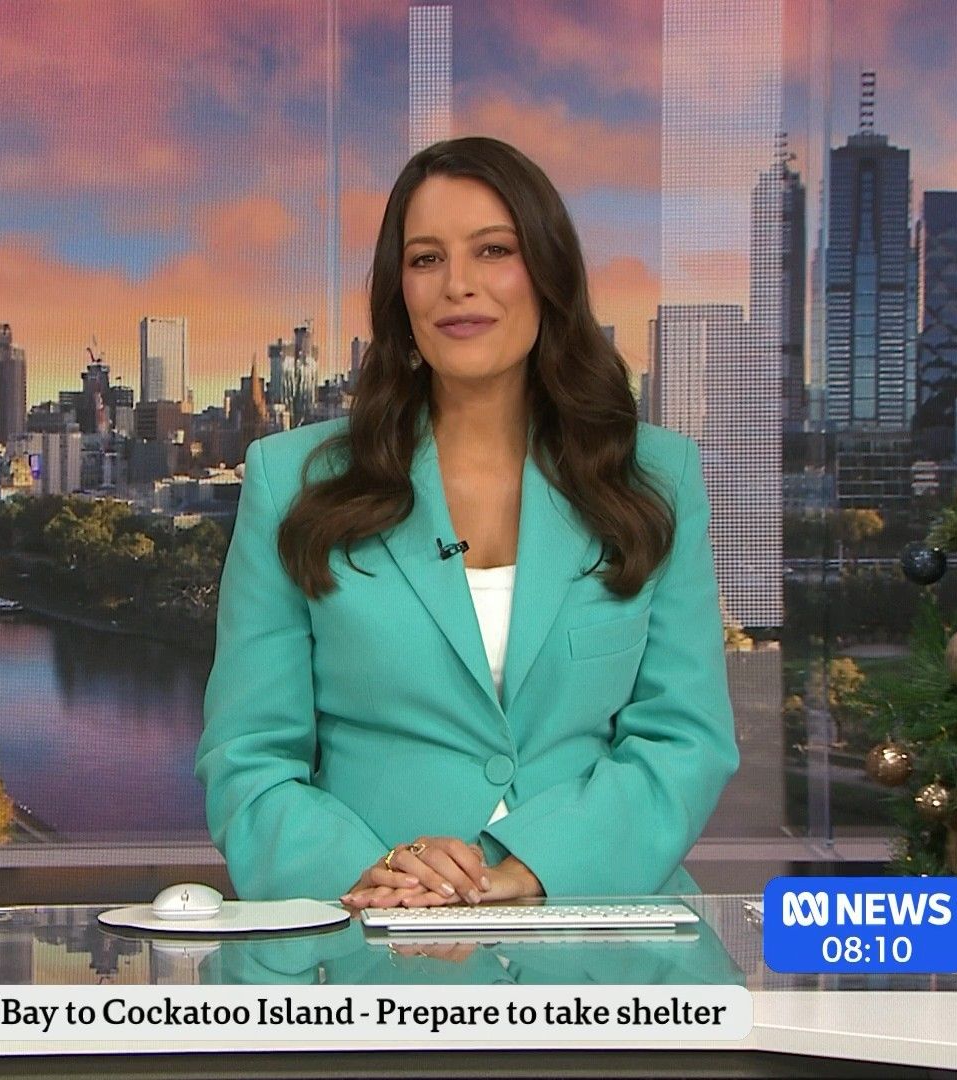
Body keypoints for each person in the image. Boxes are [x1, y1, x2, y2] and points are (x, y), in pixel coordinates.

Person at [196, 137, 737, 909]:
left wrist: (532, 870)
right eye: (426, 259)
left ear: (547, 272)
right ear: (400, 292)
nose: (458, 285)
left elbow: (684, 738)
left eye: (494, 250)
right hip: (369, 931)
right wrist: (374, 876)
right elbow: (249, 757)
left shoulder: (655, 476)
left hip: (599, 921)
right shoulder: (293, 481)